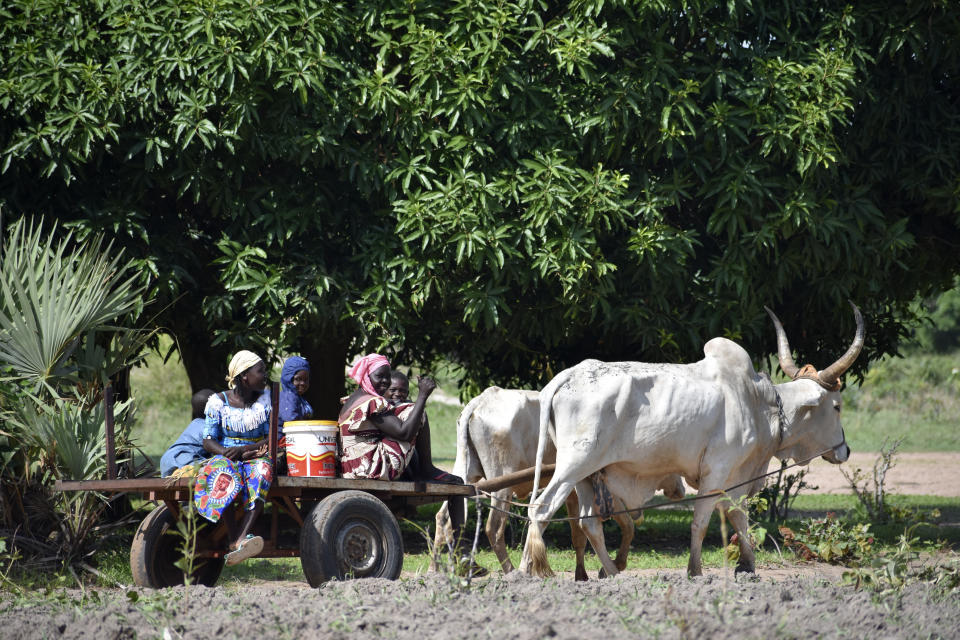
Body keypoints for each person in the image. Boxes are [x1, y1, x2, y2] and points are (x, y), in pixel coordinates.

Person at [193, 350, 273, 566]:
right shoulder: (218, 402)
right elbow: (208, 440)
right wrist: (224, 452)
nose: (265, 375)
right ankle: (234, 537)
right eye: (260, 371)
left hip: (257, 453)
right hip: (226, 454)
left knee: (262, 471)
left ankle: (241, 538)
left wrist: (246, 449)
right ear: (245, 376)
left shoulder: (266, 401)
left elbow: (270, 438)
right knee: (222, 472)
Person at [159, 388, 215, 477]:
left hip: (169, 460)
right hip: (183, 458)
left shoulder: (196, 423)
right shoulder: (208, 427)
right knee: (216, 468)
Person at [279, 355, 313, 428]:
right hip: (286, 437)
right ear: (288, 379)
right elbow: (291, 421)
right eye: (298, 379)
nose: (303, 383)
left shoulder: (299, 398)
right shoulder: (288, 397)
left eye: (306, 379)